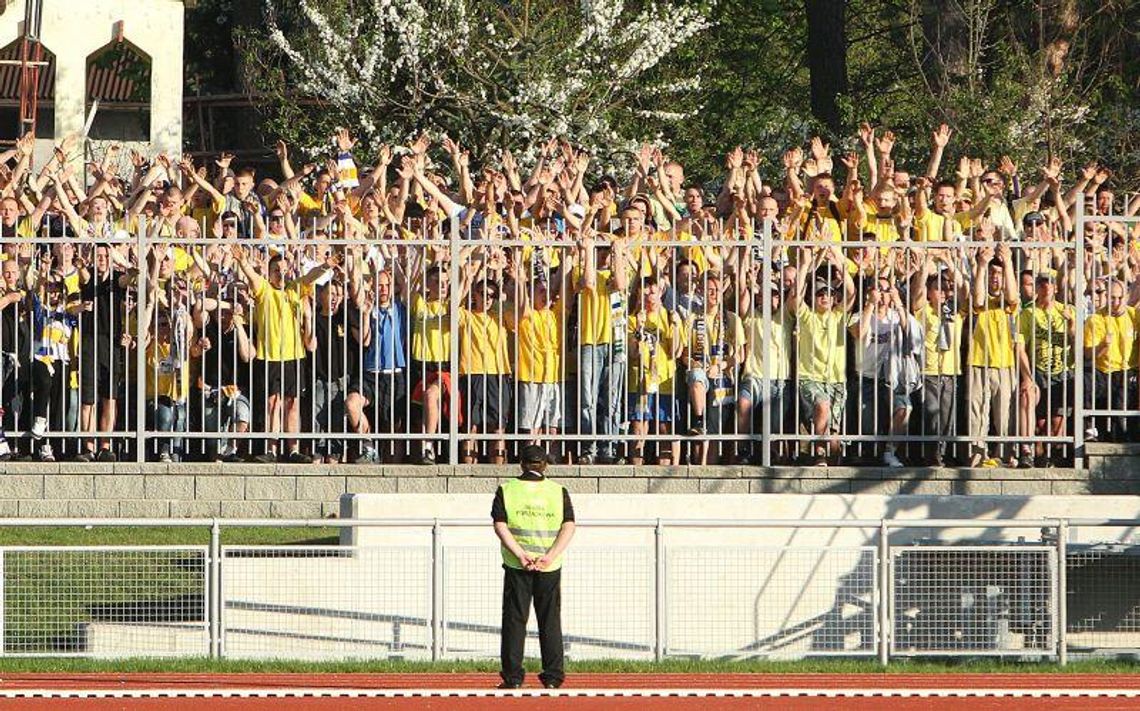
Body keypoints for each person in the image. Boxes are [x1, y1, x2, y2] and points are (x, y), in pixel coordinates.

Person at [491, 444, 575, 690]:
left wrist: (520, 553)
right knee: (549, 620)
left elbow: (500, 526)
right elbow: (569, 526)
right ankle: (553, 676)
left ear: (521, 464)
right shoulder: (558, 491)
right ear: (545, 465)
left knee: (515, 620)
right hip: (549, 566)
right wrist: (549, 555)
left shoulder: (507, 490)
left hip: (517, 564)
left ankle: (513, 677)